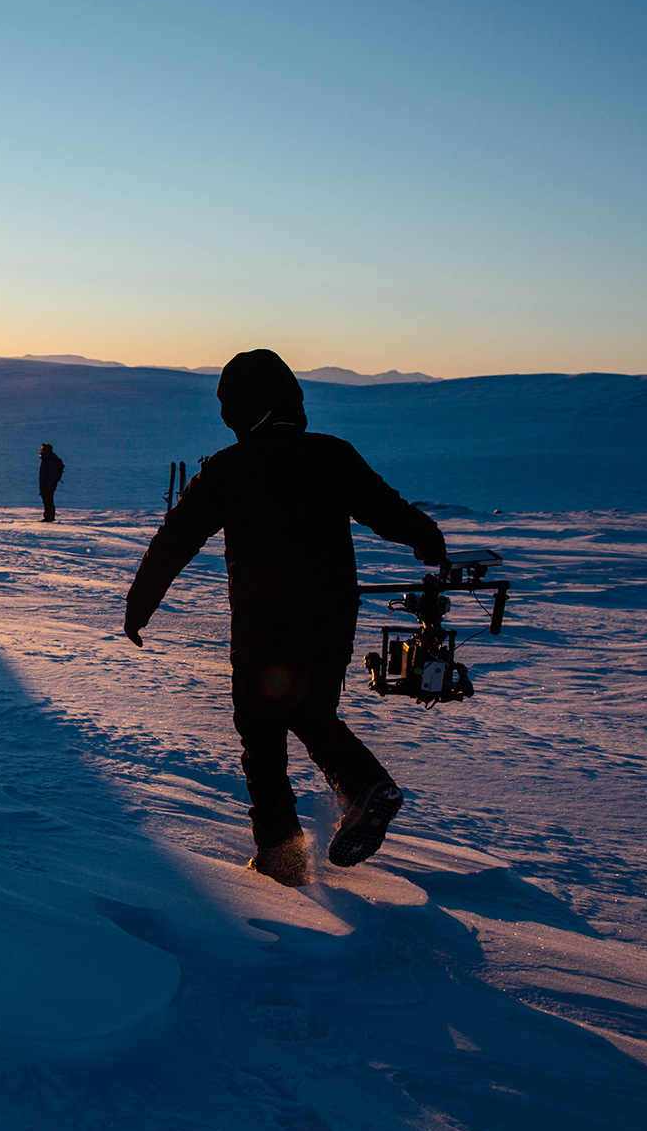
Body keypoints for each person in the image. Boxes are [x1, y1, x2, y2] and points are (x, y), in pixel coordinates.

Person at [123, 350, 446, 886]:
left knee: (261, 728)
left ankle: (289, 847)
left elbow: (174, 542)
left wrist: (140, 605)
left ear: (240, 409)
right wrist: (428, 541)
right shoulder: (333, 455)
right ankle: (354, 795)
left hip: (264, 621)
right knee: (307, 708)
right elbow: (388, 510)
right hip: (333, 615)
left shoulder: (228, 469)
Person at [37, 443, 65, 523]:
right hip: (44, 485)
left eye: (44, 449)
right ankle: (48, 517)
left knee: (48, 501)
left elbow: (52, 475)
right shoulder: (45, 459)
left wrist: (49, 486)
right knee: (46, 501)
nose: (42, 451)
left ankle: (49, 517)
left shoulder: (51, 460)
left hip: (48, 485)